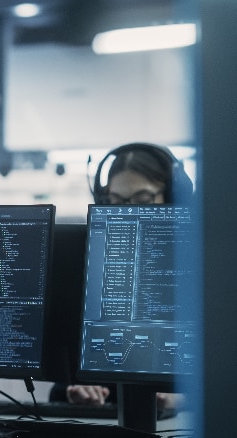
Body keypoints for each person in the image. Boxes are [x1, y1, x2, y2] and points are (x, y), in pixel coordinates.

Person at [50, 142, 192, 408]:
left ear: (172, 196)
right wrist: (76, 387)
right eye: (116, 201)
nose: (129, 211)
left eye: (142, 200)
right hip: (110, 428)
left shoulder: (200, 269)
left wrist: (188, 399)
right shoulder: (92, 268)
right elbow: (62, 373)